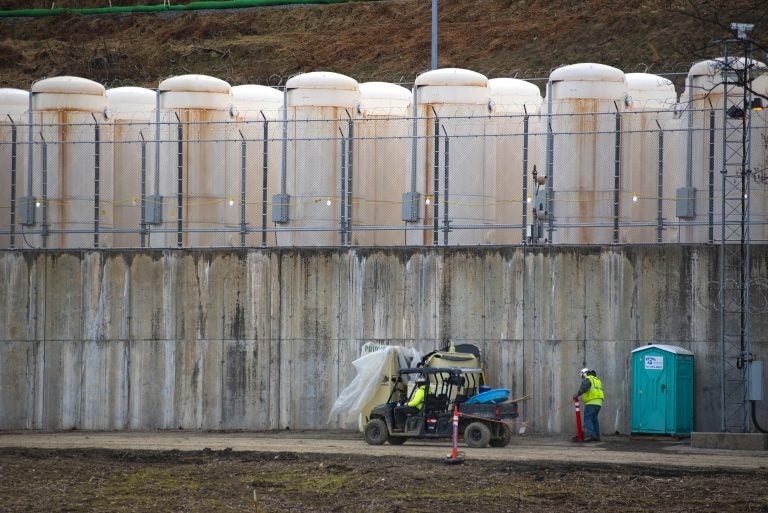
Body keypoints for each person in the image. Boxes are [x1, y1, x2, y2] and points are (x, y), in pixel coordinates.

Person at [574, 367, 604, 442]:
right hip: (599, 402)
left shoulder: (588, 378)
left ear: (584, 373)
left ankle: (590, 435)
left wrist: (577, 395)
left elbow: (584, 387)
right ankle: (597, 436)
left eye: (582, 375)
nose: (582, 377)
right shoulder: (597, 380)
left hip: (591, 402)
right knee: (594, 419)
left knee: (588, 418)